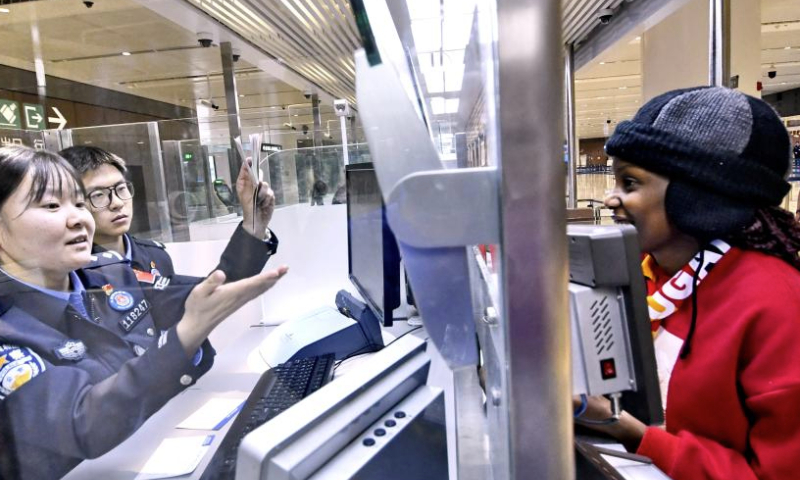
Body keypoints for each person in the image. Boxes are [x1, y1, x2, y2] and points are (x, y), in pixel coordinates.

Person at [0, 146, 288, 479]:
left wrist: (252, 227)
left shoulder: (111, 274)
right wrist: (183, 339)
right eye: (51, 205)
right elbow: (82, 423)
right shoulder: (10, 328)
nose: (78, 217)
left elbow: (207, 295)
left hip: (155, 454)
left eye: (78, 203)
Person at [575, 86, 800, 480]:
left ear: (696, 195)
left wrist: (628, 431)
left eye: (630, 183)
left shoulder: (779, 304)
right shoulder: (647, 274)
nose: (611, 199)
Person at [59, 146, 279, 280]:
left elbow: (207, 296)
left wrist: (254, 223)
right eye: (98, 195)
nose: (116, 203)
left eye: (121, 189)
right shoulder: (66, 274)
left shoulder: (155, 257)